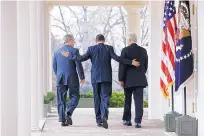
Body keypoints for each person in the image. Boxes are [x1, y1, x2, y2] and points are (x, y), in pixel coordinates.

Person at [61, 34, 140, 129]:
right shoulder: (109, 48)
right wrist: (131, 62)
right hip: (106, 77)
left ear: (96, 40)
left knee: (97, 98)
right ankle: (104, 116)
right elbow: (118, 59)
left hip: (95, 78)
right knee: (105, 97)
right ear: (104, 40)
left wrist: (69, 56)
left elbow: (80, 58)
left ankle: (98, 120)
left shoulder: (91, 49)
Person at [52, 34, 85, 126]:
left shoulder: (57, 52)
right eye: (73, 40)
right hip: (72, 77)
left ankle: (62, 119)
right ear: (69, 41)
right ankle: (68, 113)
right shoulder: (74, 51)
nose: (74, 42)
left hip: (60, 78)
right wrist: (82, 77)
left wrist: (58, 75)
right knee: (75, 95)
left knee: (61, 98)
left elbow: (54, 66)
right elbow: (78, 64)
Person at [119, 32, 148, 128]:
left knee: (127, 100)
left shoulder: (125, 50)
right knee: (139, 101)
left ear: (129, 40)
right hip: (140, 80)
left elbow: (122, 66)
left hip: (128, 80)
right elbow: (145, 66)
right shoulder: (143, 51)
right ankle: (138, 121)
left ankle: (127, 120)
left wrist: (121, 79)